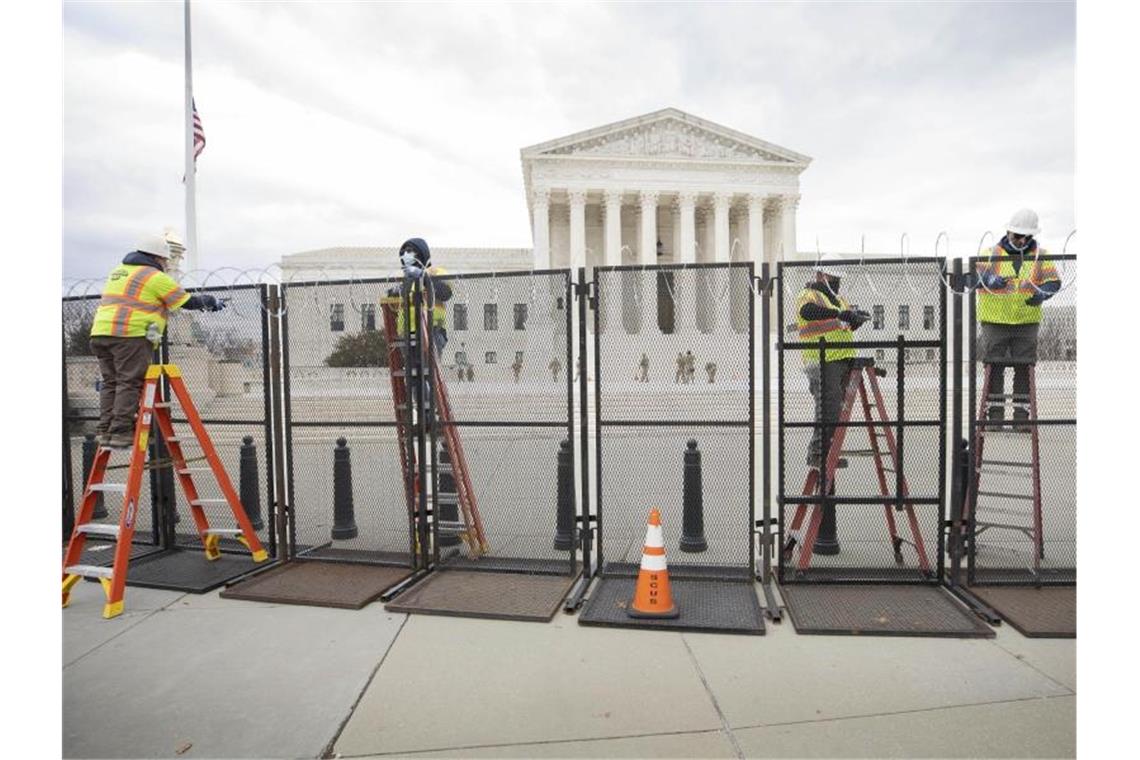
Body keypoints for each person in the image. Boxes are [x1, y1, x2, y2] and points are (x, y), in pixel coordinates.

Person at [89, 233, 223, 448]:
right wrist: (210, 301)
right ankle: (122, 432)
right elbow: (184, 301)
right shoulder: (153, 276)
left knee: (111, 383)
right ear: (158, 257)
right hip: (130, 336)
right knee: (129, 381)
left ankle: (105, 430)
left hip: (101, 333)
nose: (166, 263)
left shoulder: (119, 272)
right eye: (165, 259)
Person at [975, 209, 1061, 431]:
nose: (1022, 241)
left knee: (1024, 368)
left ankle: (1021, 418)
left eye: (1027, 237)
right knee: (994, 367)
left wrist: (1043, 293)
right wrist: (988, 280)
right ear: (1008, 231)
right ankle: (994, 417)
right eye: (1017, 236)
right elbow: (971, 278)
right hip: (995, 322)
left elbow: (1053, 281)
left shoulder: (1040, 255)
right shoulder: (990, 253)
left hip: (1026, 322)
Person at [795, 261, 870, 468]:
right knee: (827, 409)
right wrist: (838, 314)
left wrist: (855, 319)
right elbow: (808, 312)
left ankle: (828, 454)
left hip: (843, 359)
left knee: (837, 410)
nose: (835, 282)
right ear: (820, 275)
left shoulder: (839, 299)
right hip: (822, 360)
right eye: (832, 278)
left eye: (837, 279)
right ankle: (818, 454)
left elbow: (844, 325)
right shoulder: (808, 295)